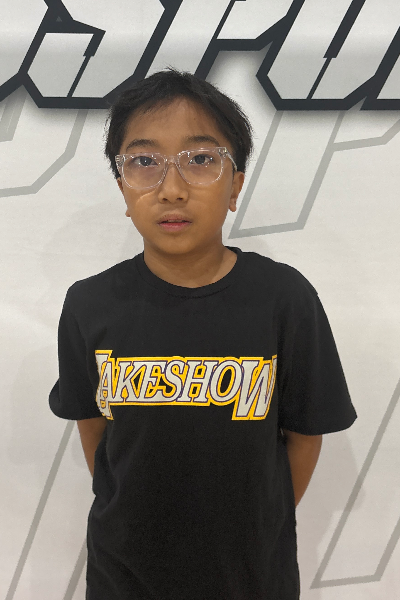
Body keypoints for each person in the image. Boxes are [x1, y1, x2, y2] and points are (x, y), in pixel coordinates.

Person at [49, 67, 357, 600]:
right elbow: (94, 429)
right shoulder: (90, 304)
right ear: (123, 187)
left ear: (235, 184)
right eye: (144, 162)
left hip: (251, 577)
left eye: (200, 160)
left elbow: (306, 435)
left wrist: (256, 525)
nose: (171, 189)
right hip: (124, 576)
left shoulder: (284, 298)